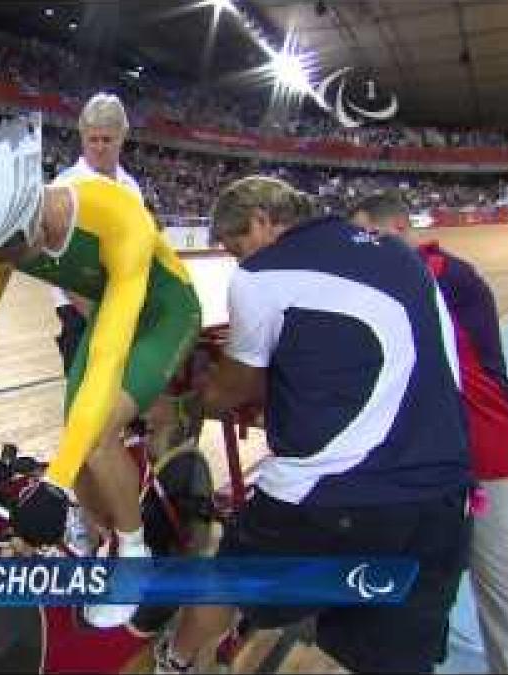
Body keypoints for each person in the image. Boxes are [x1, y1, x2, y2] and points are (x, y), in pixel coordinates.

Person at [155, 176, 473, 674]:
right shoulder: (401, 256)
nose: (238, 260)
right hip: (441, 497)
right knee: (389, 657)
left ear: (261, 220)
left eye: (235, 246)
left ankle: (170, 661)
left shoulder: (260, 274)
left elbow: (234, 389)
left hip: (333, 496)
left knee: (225, 582)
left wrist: (187, 403)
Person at [0, 113, 201, 629]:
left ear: (31, 210)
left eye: (11, 252)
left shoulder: (117, 215)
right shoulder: (4, 234)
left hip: (162, 310)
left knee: (95, 430)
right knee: (78, 432)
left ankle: (136, 561)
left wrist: (56, 482)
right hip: (105, 309)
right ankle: (90, 533)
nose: (5, 263)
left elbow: (110, 355)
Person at [351, 192, 508, 674]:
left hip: (485, 447)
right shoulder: (425, 274)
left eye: (367, 236)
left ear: (398, 228)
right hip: (447, 451)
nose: (360, 249)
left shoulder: (435, 274)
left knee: (499, 578)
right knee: (441, 575)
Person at [50, 92, 143, 373]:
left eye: (107, 140)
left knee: (128, 409)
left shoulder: (131, 188)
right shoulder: (64, 188)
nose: (100, 147)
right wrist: (99, 317)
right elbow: (60, 267)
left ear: (121, 138)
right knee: (87, 409)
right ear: (83, 138)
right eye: (93, 140)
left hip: (124, 309)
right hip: (81, 313)